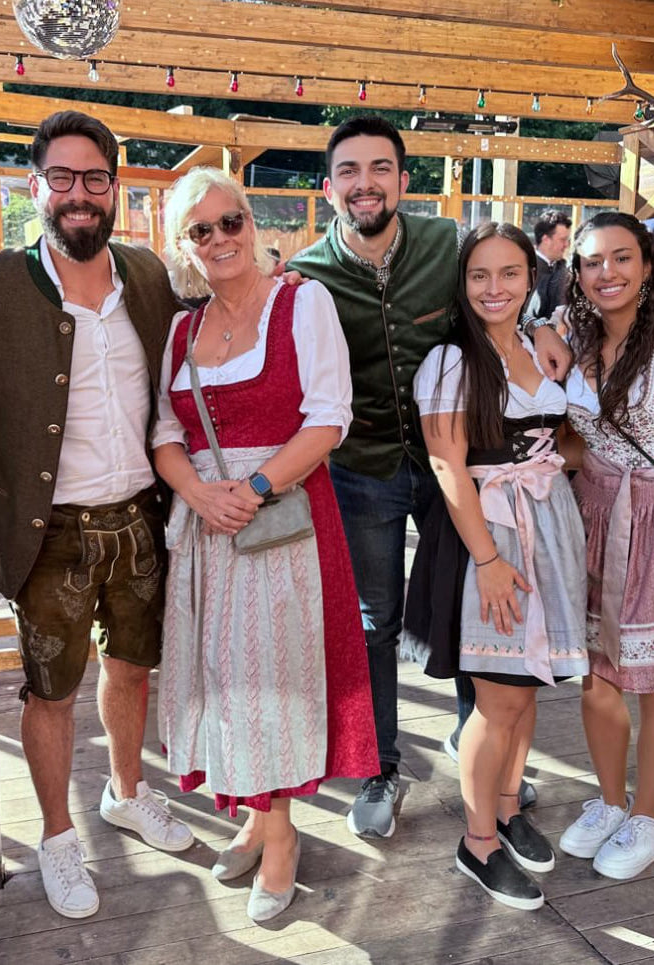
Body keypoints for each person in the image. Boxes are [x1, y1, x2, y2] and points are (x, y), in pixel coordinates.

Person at [0, 110, 193, 922]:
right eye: (63, 178)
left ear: (115, 188)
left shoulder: (148, 277)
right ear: (35, 186)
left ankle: (125, 789)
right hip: (46, 533)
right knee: (48, 692)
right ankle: (54, 835)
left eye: (96, 179)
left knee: (132, 668)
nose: (80, 195)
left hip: (141, 518)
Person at [287, 116, 571, 838]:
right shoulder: (307, 276)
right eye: (349, 170)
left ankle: (479, 736)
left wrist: (540, 324)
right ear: (328, 188)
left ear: (402, 180)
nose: (365, 183)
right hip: (364, 468)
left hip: (459, 460)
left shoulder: (446, 246)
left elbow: (498, 292)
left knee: (468, 604)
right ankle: (380, 765)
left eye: (380, 168)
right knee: (374, 621)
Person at [153, 166, 378, 923]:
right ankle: (254, 816)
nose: (219, 238)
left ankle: (280, 838)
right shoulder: (184, 328)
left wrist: (248, 490)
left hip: (278, 518)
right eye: (201, 229)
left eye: (231, 221)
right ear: (185, 246)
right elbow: (164, 432)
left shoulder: (300, 301)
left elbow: (329, 417)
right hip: (207, 526)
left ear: (252, 226)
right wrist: (196, 492)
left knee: (268, 682)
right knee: (221, 680)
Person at [402, 222, 588, 910]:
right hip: (487, 531)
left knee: (528, 681)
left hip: (546, 522)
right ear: (461, 282)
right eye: (479, 274)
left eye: (508, 273)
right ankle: (476, 841)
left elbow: (564, 435)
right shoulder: (450, 361)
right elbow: (448, 463)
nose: (494, 288)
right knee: (497, 695)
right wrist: (485, 558)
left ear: (527, 278)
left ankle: (508, 808)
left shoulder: (540, 348)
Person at [559, 212, 654, 879]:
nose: (607, 273)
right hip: (589, 512)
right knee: (594, 674)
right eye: (592, 261)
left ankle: (647, 812)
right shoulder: (569, 336)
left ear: (646, 265)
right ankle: (609, 800)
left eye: (621, 258)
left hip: (650, 515)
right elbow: (566, 433)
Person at [527, 210, 572, 323]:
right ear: (546, 240)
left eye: (568, 240)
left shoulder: (563, 268)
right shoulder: (527, 270)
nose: (567, 245)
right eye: (562, 240)